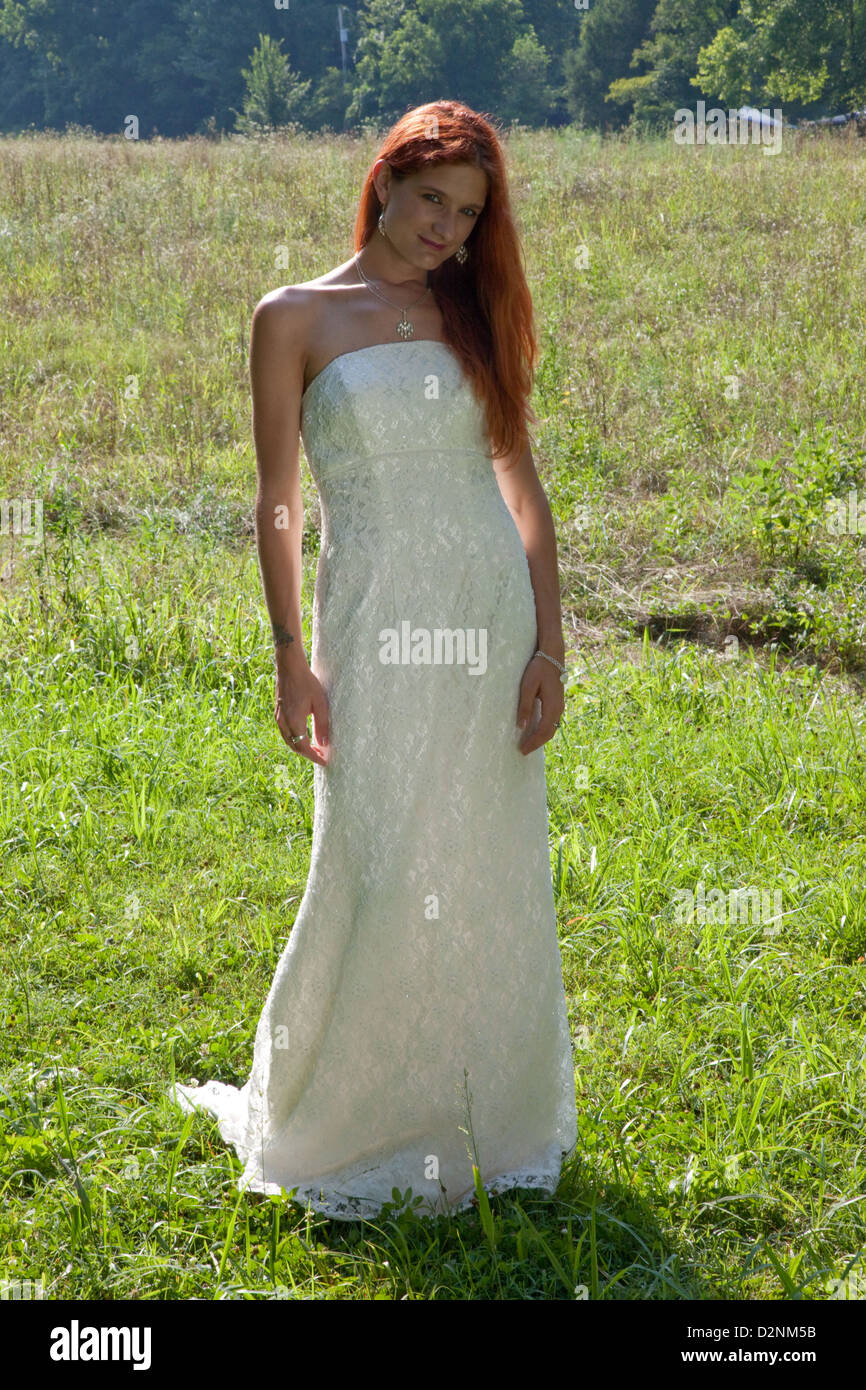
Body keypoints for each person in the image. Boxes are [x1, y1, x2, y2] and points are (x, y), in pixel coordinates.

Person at [168, 99, 578, 1221]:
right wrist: (290, 654)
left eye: (467, 214)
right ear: (385, 181)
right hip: (372, 618)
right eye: (432, 200)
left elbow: (521, 491)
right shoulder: (293, 316)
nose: (444, 229)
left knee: (478, 857)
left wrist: (547, 639)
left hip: (482, 613)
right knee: (380, 856)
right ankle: (340, 1110)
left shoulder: (471, 312)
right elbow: (276, 503)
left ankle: (484, 1109)